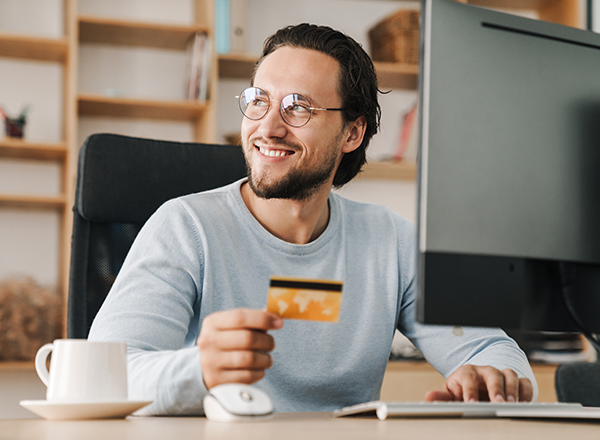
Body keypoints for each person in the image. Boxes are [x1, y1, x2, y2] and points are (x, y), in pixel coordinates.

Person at [88, 23, 537, 415]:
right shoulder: (184, 227)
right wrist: (200, 368)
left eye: (298, 107)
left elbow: (491, 349)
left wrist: (492, 379)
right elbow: (103, 377)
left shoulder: (391, 241)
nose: (268, 127)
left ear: (352, 133)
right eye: (259, 101)